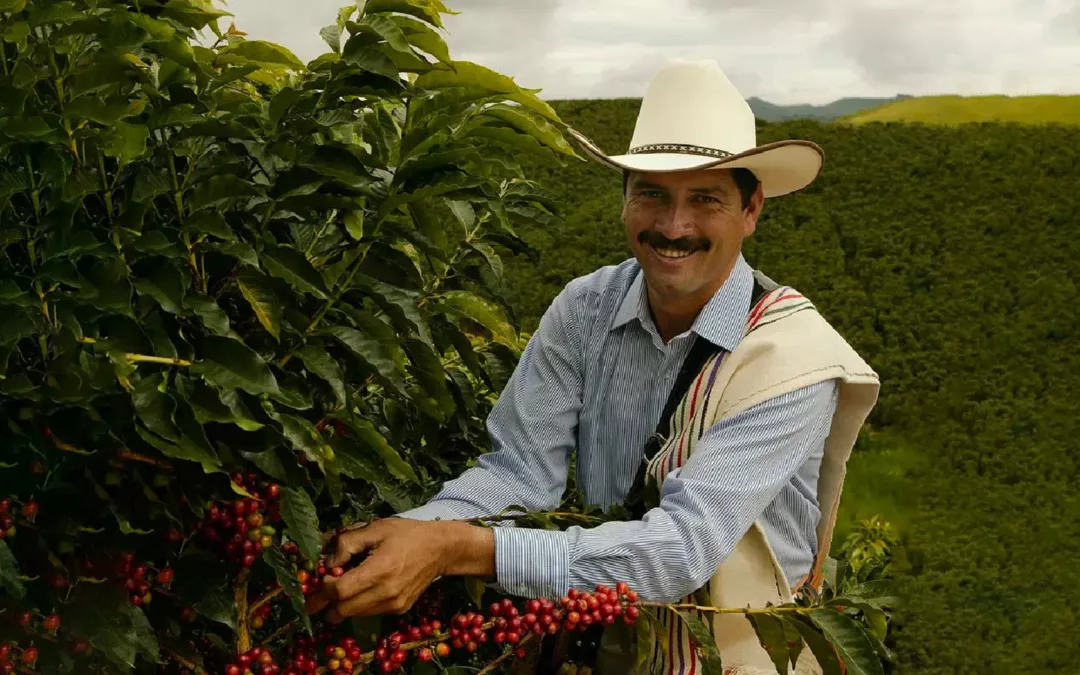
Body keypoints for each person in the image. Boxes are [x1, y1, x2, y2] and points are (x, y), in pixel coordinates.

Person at [306, 59, 879, 673]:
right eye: (652, 194)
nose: (673, 226)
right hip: (610, 651)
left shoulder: (793, 360)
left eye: (705, 199)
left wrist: (453, 547)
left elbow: (679, 552)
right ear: (625, 198)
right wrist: (393, 538)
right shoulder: (585, 310)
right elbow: (520, 473)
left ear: (751, 209)